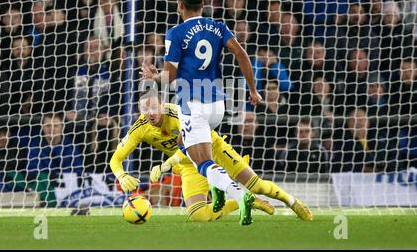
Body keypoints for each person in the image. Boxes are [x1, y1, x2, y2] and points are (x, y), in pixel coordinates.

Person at [141, 0, 263, 225]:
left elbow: (171, 77)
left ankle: (241, 195)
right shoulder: (218, 26)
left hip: (193, 104)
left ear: (180, 6)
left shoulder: (175, 33)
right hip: (218, 104)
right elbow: (241, 54)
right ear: (203, 5)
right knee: (183, 143)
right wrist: (252, 90)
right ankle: (217, 190)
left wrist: (155, 77)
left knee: (202, 162)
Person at [110, 92, 312, 222]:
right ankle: (241, 202)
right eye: (144, 109)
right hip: (190, 166)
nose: (150, 113)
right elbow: (115, 159)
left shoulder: (179, 115)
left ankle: (292, 201)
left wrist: (166, 164)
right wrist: (120, 175)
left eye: (153, 107)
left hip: (211, 148)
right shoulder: (140, 127)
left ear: (162, 105)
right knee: (198, 214)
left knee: (255, 184)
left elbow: (190, 144)